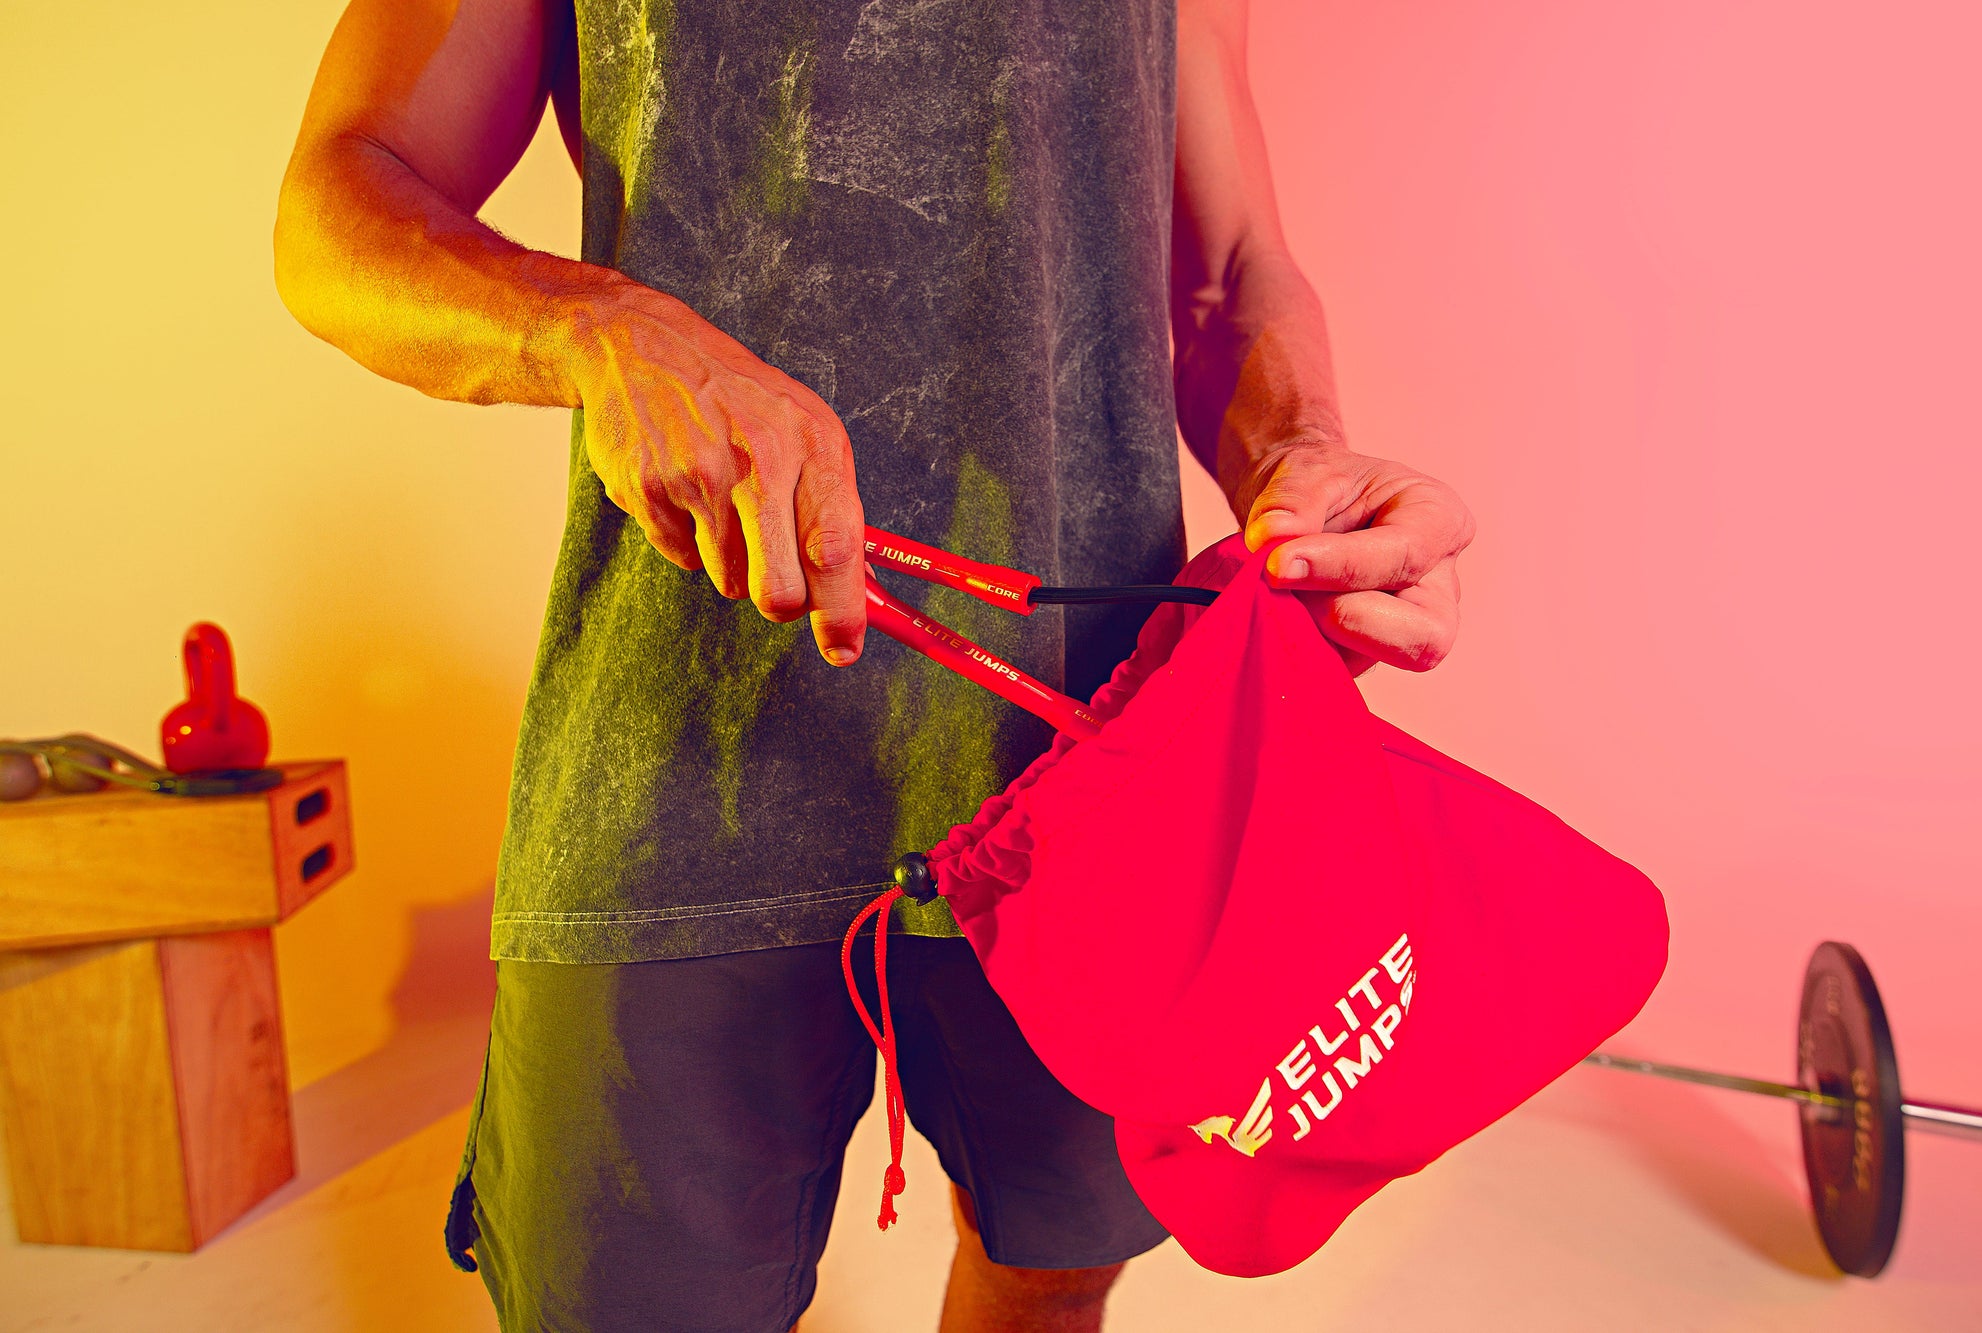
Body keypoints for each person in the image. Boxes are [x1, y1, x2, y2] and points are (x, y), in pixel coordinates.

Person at [274, 0, 1474, 1328]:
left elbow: (1230, 267)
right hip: (677, 755)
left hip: (1079, 754)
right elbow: (341, 200)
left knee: (1052, 1277)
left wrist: (1300, 455)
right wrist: (602, 327)